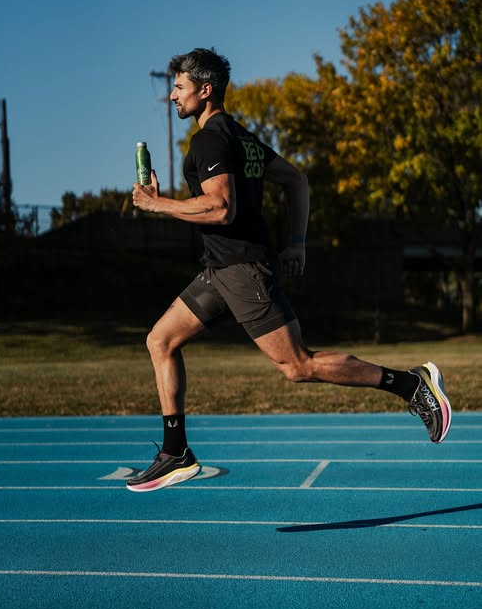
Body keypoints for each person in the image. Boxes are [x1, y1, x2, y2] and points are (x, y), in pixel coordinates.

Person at [126, 48, 452, 493]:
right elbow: (297, 180)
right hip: (221, 269)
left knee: (299, 365)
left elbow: (221, 209)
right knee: (160, 340)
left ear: (205, 91)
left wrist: (156, 204)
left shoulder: (211, 139)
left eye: (179, 87)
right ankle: (175, 452)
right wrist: (296, 244)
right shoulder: (242, 138)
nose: (172, 97)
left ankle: (412, 385)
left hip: (242, 271)